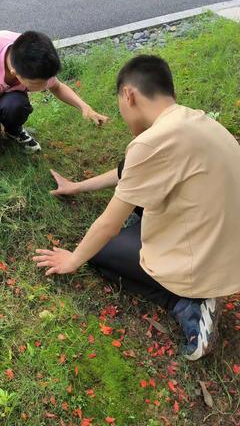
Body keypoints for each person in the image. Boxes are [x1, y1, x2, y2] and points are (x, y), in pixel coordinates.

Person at [33, 55, 240, 361]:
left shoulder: (152, 142)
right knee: (137, 210)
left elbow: (108, 225)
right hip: (227, 246)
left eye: (119, 101)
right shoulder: (193, 120)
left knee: (100, 254)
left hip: (204, 261)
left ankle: (188, 303)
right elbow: (127, 172)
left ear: (129, 94)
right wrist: (77, 186)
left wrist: (73, 259)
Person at [0, 30, 109, 156]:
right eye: (36, 84)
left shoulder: (36, 62)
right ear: (14, 72)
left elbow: (56, 86)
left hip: (8, 97)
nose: (43, 86)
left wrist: (84, 107)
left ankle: (13, 130)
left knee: (18, 105)